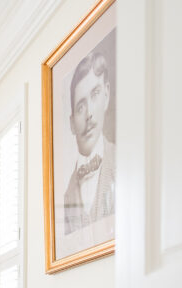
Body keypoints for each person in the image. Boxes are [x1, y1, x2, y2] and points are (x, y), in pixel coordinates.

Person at [63, 49, 115, 235]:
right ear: (72, 124)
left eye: (95, 94)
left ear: (106, 95)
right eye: (80, 107)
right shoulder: (67, 195)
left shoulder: (121, 161)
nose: (89, 114)